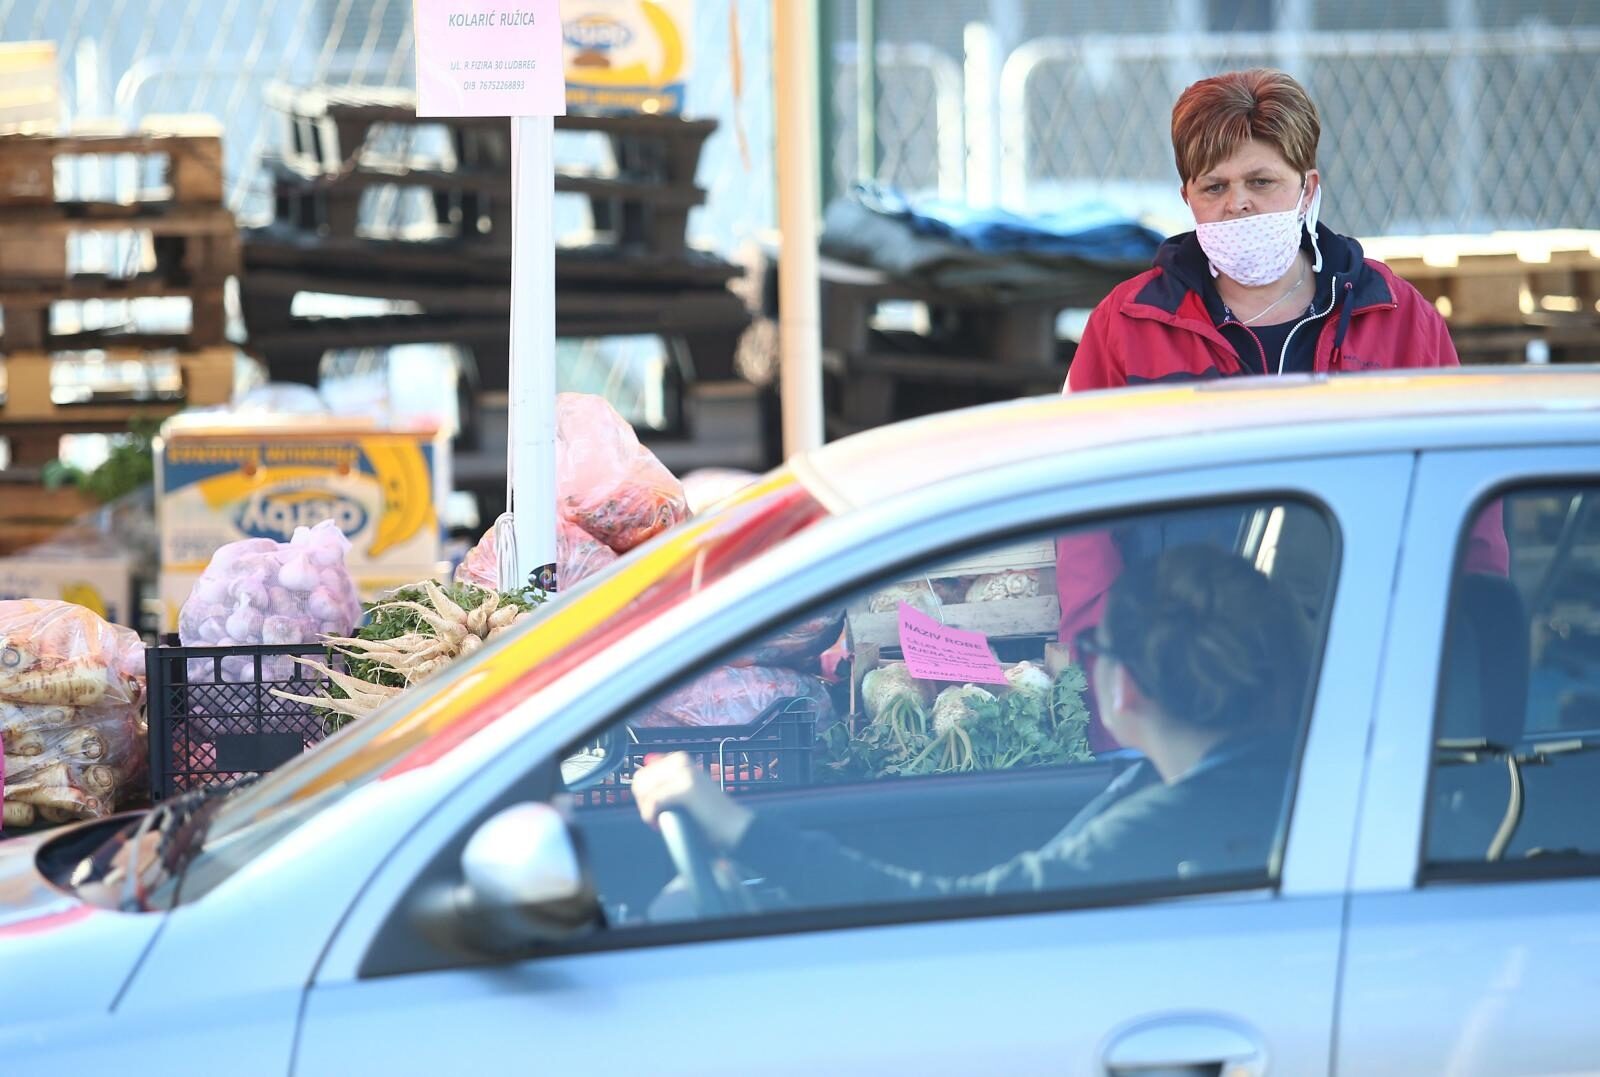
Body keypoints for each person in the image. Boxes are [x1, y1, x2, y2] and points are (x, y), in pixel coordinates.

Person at [1056, 68, 1508, 748]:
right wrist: (1106, 672)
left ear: (1310, 189)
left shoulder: (1397, 316)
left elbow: (1467, 498)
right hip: (1183, 686)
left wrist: (1462, 648)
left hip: (1365, 672)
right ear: (1188, 199)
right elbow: (1082, 512)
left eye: (1261, 181)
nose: (1238, 204)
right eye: (1215, 186)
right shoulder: (1125, 326)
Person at [630, 545, 1311, 905]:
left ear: (1123, 684)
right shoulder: (1279, 782)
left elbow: (932, 905)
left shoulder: (1160, 833)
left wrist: (738, 827)